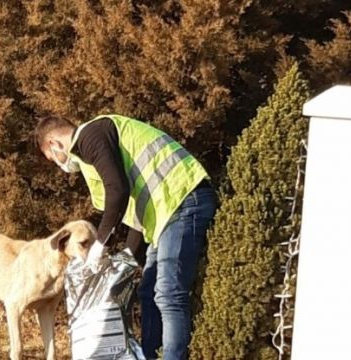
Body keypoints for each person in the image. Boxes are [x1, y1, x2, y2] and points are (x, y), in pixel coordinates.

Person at [34, 114, 217, 360]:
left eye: (52, 158)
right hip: (164, 213)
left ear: (54, 145)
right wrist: (127, 259)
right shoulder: (89, 158)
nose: (60, 164)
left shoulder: (91, 135)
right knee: (148, 291)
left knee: (168, 292)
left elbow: (118, 190)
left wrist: (100, 244)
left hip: (184, 199)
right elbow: (132, 212)